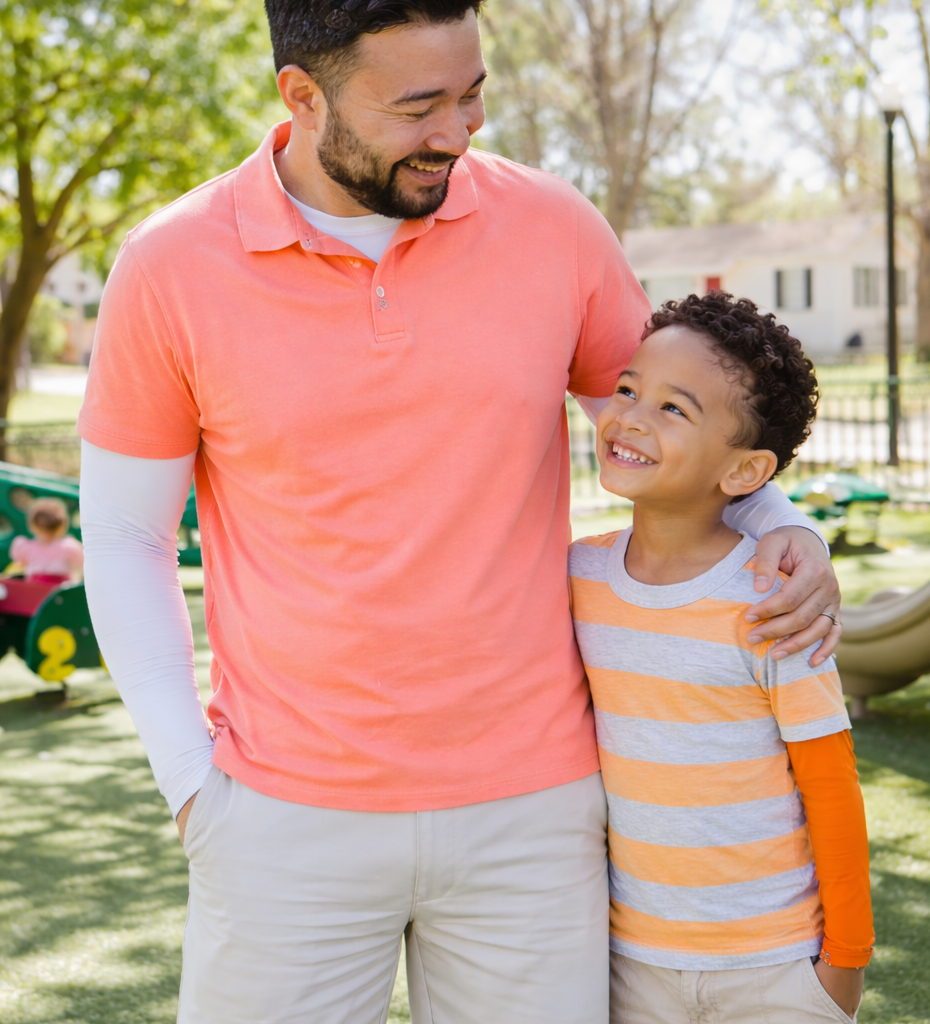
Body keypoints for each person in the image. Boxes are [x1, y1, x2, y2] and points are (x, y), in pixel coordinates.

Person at [77, 2, 845, 1021]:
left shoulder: (552, 224)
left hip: (534, 815)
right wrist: (190, 787)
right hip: (281, 811)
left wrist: (782, 522)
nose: (460, 129)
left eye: (473, 91)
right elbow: (127, 537)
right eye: (418, 105)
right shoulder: (169, 265)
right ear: (301, 95)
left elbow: (677, 415)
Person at [568, 293, 873, 1024]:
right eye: (630, 389)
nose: (632, 417)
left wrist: (844, 966)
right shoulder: (576, 578)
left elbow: (831, 788)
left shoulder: (772, 601)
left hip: (774, 969)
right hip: (631, 965)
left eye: (675, 410)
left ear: (745, 472)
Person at [10, 498, 83, 585]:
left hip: (36, 593)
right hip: (59, 594)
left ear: (32, 525)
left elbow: (19, 561)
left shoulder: (26, 547)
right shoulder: (68, 547)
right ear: (62, 526)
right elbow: (83, 565)